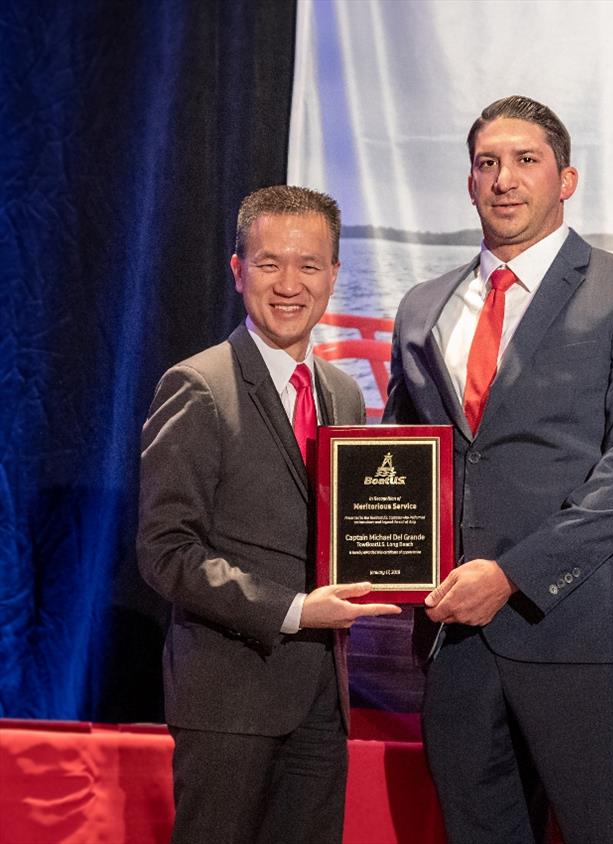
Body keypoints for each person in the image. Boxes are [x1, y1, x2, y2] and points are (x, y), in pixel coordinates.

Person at [383, 96, 613, 843]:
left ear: (567, 179)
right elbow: (399, 454)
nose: (504, 179)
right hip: (455, 640)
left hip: (581, 632)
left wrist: (512, 574)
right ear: (469, 182)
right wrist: (385, 559)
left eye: (526, 161)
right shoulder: (423, 307)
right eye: (487, 162)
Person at [138, 185, 401, 844]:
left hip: (321, 700)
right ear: (237, 270)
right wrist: (294, 609)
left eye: (309, 265)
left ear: (335, 275)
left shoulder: (341, 393)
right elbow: (166, 552)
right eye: (269, 263)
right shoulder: (199, 387)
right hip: (228, 699)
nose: (291, 284)